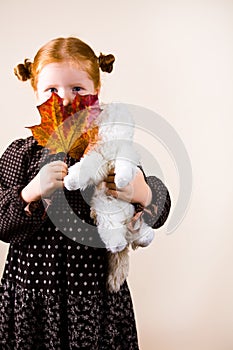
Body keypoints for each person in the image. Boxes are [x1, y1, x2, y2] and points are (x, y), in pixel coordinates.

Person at [0, 36, 171, 349]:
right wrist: (30, 192)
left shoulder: (108, 149)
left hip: (94, 298)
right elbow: (2, 225)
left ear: (96, 91)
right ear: (35, 92)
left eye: (77, 89)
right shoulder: (21, 154)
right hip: (35, 300)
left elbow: (159, 210)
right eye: (52, 90)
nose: (65, 99)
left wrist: (142, 193)